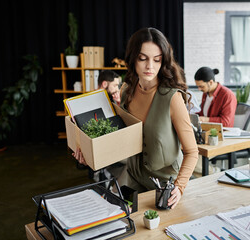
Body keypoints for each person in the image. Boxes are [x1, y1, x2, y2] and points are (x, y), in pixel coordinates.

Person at [74, 27, 198, 209]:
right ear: (133, 59)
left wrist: (179, 188)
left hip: (165, 186)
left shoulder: (173, 98)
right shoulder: (126, 91)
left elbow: (192, 152)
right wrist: (90, 155)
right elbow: (119, 139)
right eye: (143, 58)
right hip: (133, 178)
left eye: (157, 60)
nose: (150, 66)